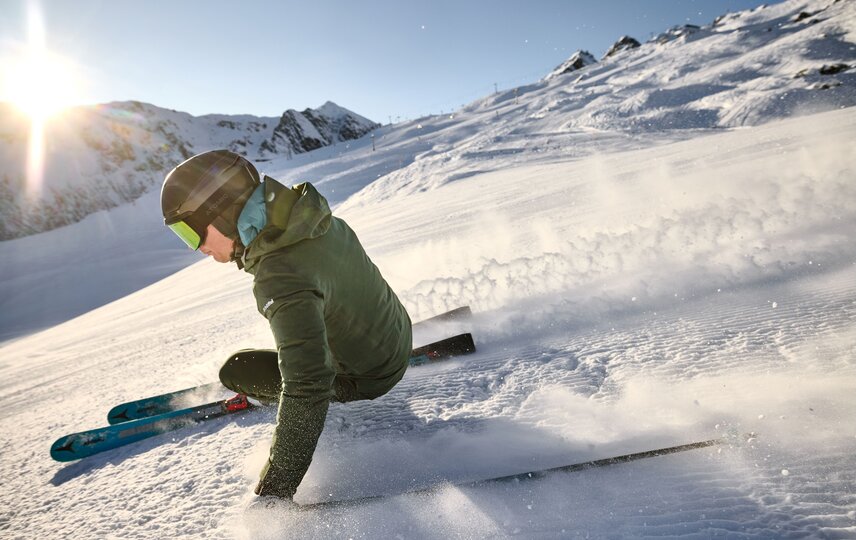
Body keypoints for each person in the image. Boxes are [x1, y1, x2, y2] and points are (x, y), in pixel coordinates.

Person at [160, 149, 413, 500]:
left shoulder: (279, 273)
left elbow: (308, 384)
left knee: (236, 370)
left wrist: (274, 493)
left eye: (190, 233)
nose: (197, 248)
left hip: (368, 378)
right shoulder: (309, 216)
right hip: (397, 337)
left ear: (218, 213)